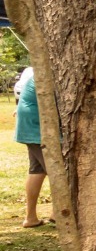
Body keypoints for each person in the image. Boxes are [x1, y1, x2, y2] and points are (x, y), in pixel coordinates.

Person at [14, 73, 51, 228]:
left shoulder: (42, 70)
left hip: (32, 122)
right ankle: (60, 214)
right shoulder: (49, 73)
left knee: (38, 170)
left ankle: (31, 218)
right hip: (37, 124)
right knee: (58, 170)